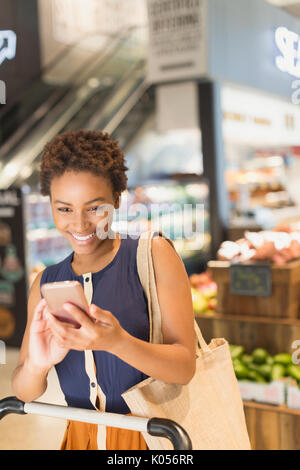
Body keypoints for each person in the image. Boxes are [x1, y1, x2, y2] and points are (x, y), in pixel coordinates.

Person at [11, 129, 196, 450]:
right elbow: (25, 392)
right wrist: (37, 366)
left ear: (117, 200)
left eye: (94, 207)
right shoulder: (45, 283)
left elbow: (184, 367)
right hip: (82, 438)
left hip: (153, 437)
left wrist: (117, 342)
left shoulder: (153, 256)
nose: (79, 225)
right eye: (64, 209)